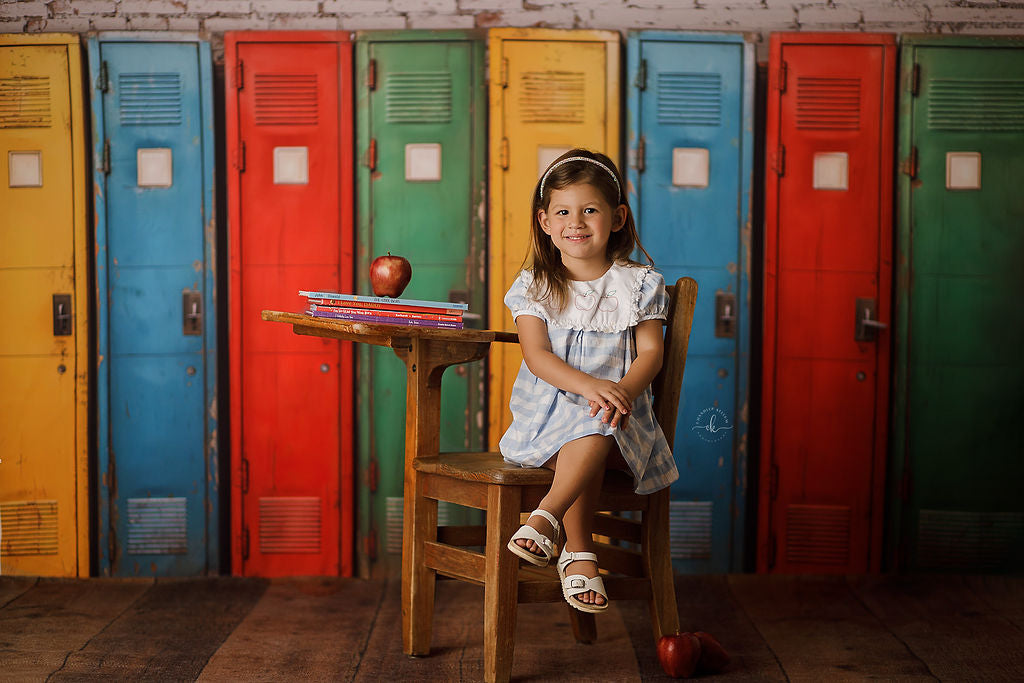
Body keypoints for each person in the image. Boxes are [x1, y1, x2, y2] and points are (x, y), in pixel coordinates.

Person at [499, 149, 678, 614]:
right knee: (591, 420)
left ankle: (546, 517)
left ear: (617, 217)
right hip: (547, 414)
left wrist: (622, 390)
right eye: (563, 211)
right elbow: (537, 356)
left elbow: (652, 353)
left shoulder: (639, 283)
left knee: (601, 420)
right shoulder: (535, 283)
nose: (575, 222)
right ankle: (578, 552)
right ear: (544, 221)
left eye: (590, 210)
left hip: (620, 415)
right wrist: (590, 387)